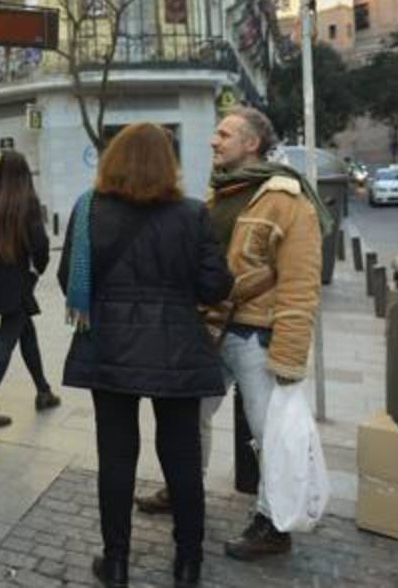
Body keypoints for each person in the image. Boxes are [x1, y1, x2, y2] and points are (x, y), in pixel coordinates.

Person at [135, 108, 328, 562]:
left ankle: (273, 523)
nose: (213, 141)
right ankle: (184, 489)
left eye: (224, 134)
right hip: (211, 329)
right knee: (189, 417)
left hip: (258, 335)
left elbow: (301, 283)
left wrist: (289, 355)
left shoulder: (287, 199)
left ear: (252, 144)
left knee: (270, 433)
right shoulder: (219, 193)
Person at [58, 124, 233, 588]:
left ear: (111, 161)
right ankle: (187, 564)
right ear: (168, 165)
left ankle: (115, 564)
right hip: (177, 349)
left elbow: (68, 280)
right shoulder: (194, 215)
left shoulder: (89, 210)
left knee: (116, 458)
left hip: (109, 348)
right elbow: (216, 286)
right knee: (182, 457)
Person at [0, 150, 59, 427]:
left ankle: (43, 391)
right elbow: (41, 247)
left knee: (24, 331)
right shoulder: (26, 202)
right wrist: (36, 270)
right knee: (6, 339)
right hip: (19, 278)